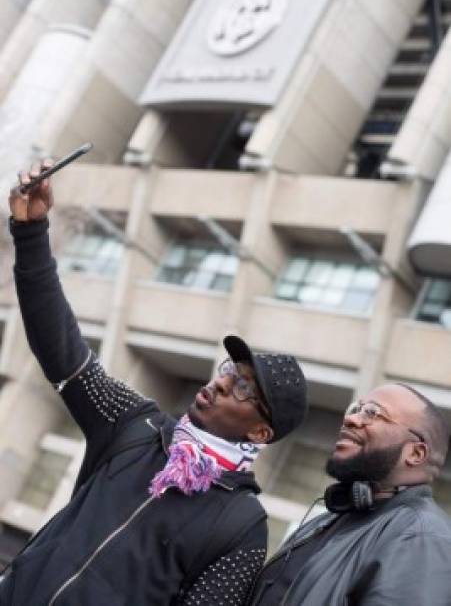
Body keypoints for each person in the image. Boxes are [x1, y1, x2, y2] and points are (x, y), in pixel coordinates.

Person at [1, 162, 308, 606]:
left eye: (243, 389)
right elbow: (60, 349)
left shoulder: (241, 524)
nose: (221, 385)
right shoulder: (136, 427)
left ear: (261, 432)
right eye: (227, 371)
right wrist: (31, 233)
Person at [249, 382, 451, 606]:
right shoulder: (326, 521)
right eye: (356, 409)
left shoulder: (422, 537)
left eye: (373, 413)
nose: (351, 419)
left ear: (415, 453)